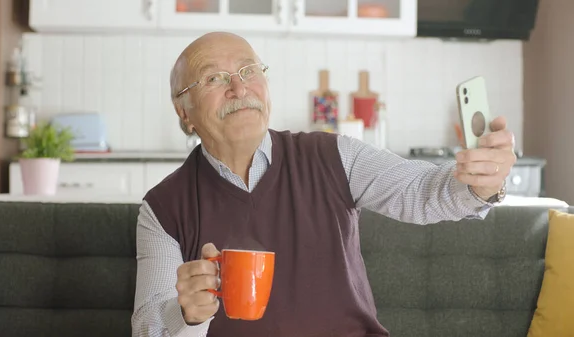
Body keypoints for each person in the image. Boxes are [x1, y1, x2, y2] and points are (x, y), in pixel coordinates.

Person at [132, 32, 517, 337]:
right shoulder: (163, 209)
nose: (239, 88)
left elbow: (418, 191)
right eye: (214, 78)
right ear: (185, 113)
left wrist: (479, 186)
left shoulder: (334, 155)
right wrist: (187, 315)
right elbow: (150, 328)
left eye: (249, 70)